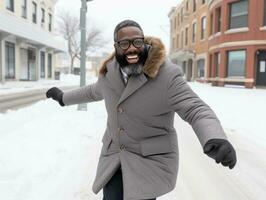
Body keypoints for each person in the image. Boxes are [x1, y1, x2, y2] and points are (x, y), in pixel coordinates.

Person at [46, 20, 237, 200]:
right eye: (124, 43)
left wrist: (214, 137)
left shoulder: (167, 75)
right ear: (116, 47)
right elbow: (92, 92)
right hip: (114, 156)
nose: (131, 48)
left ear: (144, 44)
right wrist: (63, 98)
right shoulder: (108, 74)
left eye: (137, 41)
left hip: (148, 160)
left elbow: (195, 109)